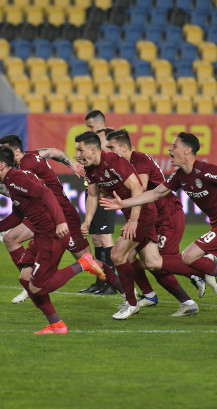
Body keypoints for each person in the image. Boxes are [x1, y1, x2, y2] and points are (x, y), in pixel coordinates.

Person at [101, 132, 217, 326]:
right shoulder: (179, 176)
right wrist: (124, 203)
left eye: (174, 146)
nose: (170, 149)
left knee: (188, 256)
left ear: (187, 150)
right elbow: (155, 193)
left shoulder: (206, 170)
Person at [0, 134, 122, 304]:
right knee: (10, 238)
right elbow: (54, 152)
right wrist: (71, 164)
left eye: (5, 150)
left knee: (88, 260)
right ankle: (29, 282)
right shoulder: (32, 155)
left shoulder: (24, 168)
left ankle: (125, 292)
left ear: (17, 151)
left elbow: (13, 190)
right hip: (44, 215)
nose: (2, 154)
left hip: (61, 215)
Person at [0, 147, 106, 334]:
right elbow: (18, 215)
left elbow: (46, 194)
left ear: (2, 165)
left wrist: (61, 222)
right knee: (25, 278)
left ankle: (83, 264)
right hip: (41, 235)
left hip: (51, 235)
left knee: (37, 288)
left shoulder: (17, 178)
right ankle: (56, 324)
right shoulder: (12, 182)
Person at [105, 129, 208, 316]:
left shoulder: (140, 160)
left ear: (125, 147)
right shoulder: (118, 164)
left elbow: (141, 189)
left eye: (111, 147)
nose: (108, 151)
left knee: (155, 262)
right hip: (149, 217)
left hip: (166, 215)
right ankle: (150, 294)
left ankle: (202, 269)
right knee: (130, 258)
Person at [78, 110, 118, 295]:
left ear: (101, 125)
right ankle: (101, 280)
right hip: (92, 192)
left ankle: (113, 282)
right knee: (95, 238)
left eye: (91, 126)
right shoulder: (92, 145)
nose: (88, 129)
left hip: (106, 196)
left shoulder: (109, 144)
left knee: (105, 237)